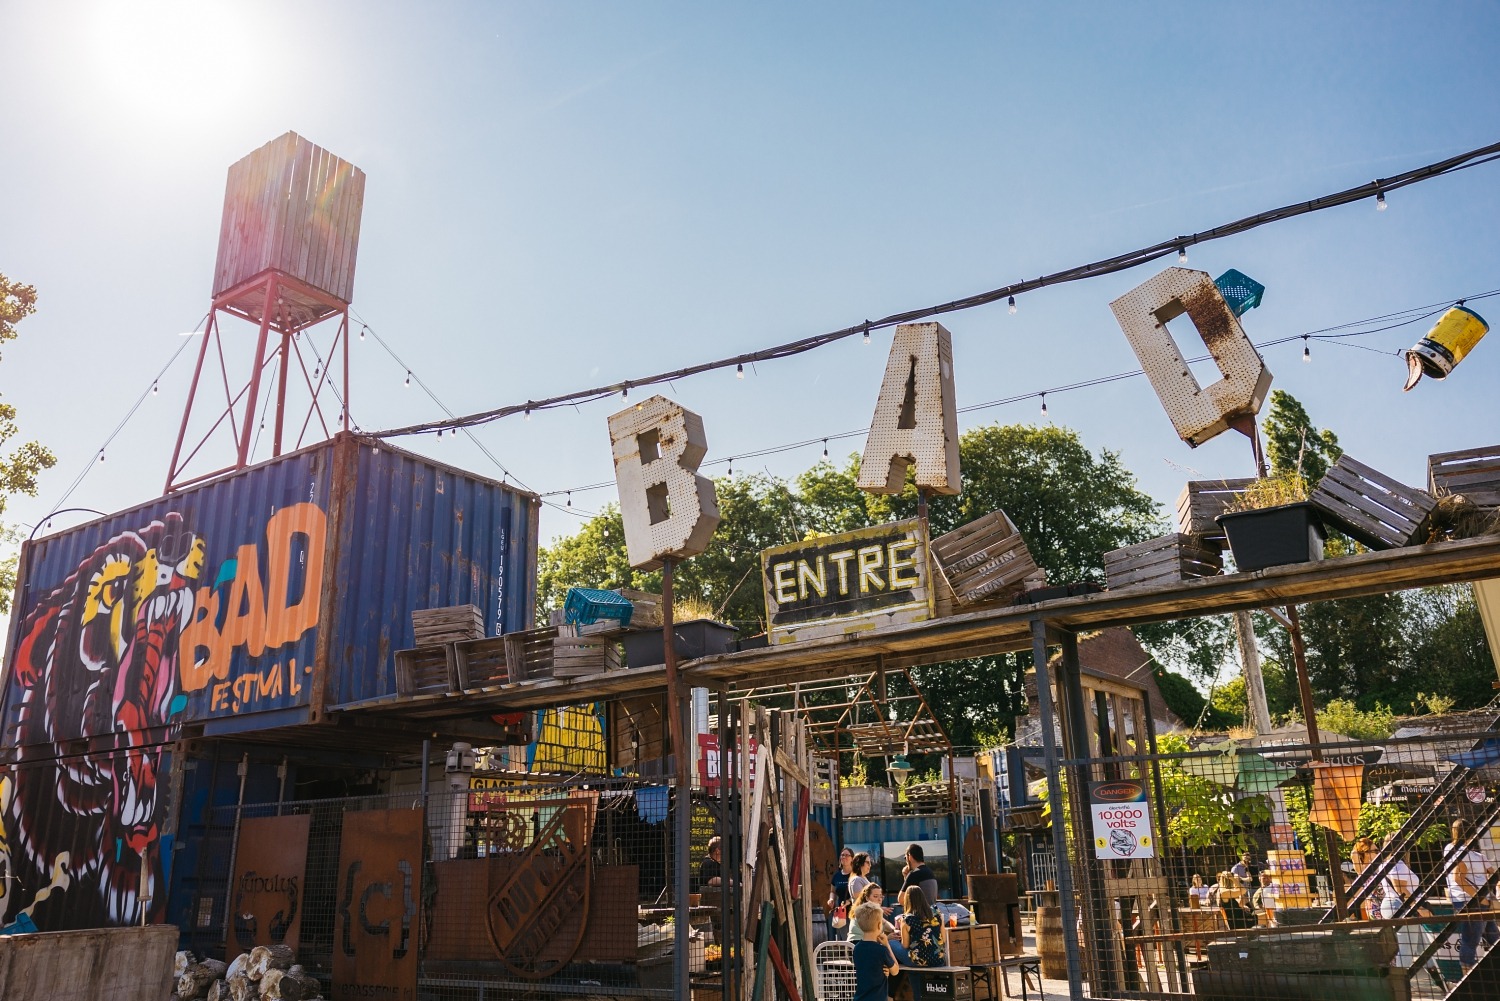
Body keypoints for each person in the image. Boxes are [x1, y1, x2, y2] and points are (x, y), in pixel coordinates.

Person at [1444, 820, 1500, 975]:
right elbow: (1458, 878)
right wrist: (1480, 899)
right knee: (1471, 940)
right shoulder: (1458, 852)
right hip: (1471, 901)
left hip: (1480, 901)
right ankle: (1468, 977)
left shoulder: (1472, 854)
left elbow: (1493, 873)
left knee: (1494, 937)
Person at [1380, 832, 1437, 978]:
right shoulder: (1398, 865)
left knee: (1422, 946)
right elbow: (1401, 889)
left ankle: (1439, 982)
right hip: (1402, 906)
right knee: (1407, 950)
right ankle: (1399, 987)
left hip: (1392, 904)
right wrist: (1420, 908)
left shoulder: (1386, 863)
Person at [852, 902, 898, 1001]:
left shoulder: (857, 948)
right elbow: (895, 971)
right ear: (879, 925)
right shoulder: (882, 950)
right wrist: (887, 944)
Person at [891, 886, 946, 968]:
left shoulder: (907, 919)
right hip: (938, 960)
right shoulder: (937, 913)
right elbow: (944, 939)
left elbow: (905, 945)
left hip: (918, 961)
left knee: (890, 943)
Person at [828, 847, 855, 938]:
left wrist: (850, 901)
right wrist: (831, 899)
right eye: (842, 855)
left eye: (847, 855)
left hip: (855, 912)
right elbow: (833, 891)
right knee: (845, 939)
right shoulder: (837, 876)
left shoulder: (856, 875)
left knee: (855, 938)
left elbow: (862, 893)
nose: (844, 857)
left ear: (852, 858)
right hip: (841, 912)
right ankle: (848, 953)